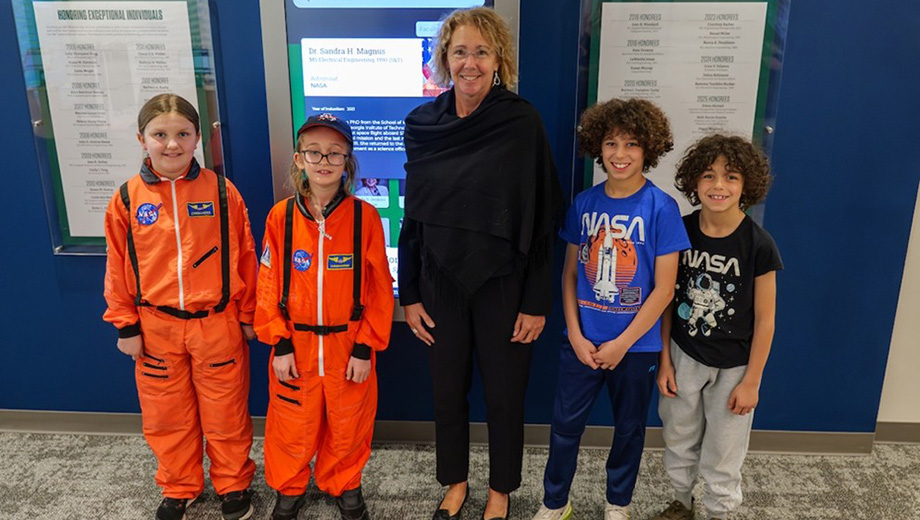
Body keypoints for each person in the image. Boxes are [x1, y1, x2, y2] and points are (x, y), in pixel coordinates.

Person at [399, 7, 563, 520]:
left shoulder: (521, 122)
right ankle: (455, 483)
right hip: (439, 279)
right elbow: (414, 215)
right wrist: (410, 293)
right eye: (460, 52)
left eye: (481, 52)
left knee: (504, 395)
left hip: (505, 281)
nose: (470, 63)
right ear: (444, 58)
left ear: (498, 59)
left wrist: (535, 301)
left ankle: (500, 490)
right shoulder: (422, 125)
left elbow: (541, 218)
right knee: (447, 392)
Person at [532, 98, 689, 520]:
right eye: (611, 143)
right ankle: (555, 503)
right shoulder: (584, 203)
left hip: (635, 348)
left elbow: (664, 290)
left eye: (631, 144)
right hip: (581, 343)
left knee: (629, 429)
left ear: (648, 149)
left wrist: (622, 343)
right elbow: (569, 275)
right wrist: (575, 333)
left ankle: (618, 503)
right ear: (597, 147)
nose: (620, 154)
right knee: (565, 427)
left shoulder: (662, 208)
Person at [103, 93, 257, 520]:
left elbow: (245, 255)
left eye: (183, 134)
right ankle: (179, 486)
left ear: (198, 138)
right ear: (142, 139)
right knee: (166, 414)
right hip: (157, 326)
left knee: (226, 412)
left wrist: (249, 315)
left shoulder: (222, 192)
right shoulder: (127, 199)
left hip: (217, 323)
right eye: (160, 135)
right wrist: (125, 325)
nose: (172, 144)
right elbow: (117, 265)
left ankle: (232, 484)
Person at [254, 113, 394, 520]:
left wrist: (365, 348)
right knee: (291, 424)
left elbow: (379, 289)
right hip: (294, 345)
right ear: (299, 159)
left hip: (347, 345)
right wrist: (279, 342)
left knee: (349, 423)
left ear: (347, 162)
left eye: (335, 153)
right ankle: (290, 487)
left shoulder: (365, 218)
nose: (324, 161)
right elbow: (267, 285)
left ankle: (345, 483)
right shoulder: (280, 217)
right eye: (314, 152)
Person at [650, 135, 782, 520]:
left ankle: (720, 512)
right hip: (683, 357)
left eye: (731, 177)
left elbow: (766, 319)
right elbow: (666, 301)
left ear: (746, 185)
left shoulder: (759, 245)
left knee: (724, 450)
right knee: (678, 437)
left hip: (735, 367)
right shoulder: (679, 231)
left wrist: (752, 381)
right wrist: (665, 361)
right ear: (695, 181)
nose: (718, 185)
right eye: (708, 175)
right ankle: (682, 503)